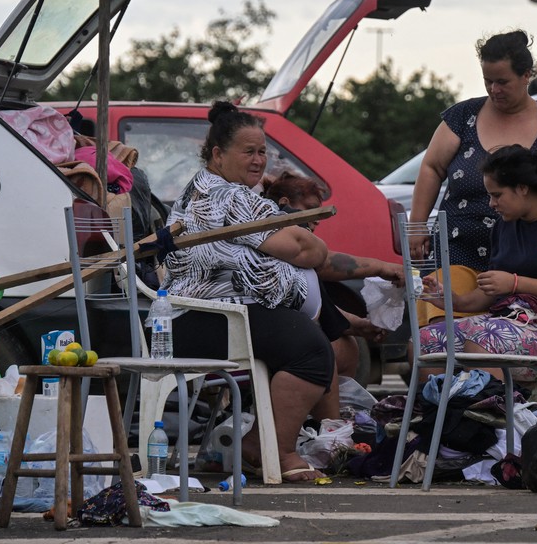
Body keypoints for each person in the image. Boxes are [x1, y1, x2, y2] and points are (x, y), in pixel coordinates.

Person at [159, 101, 334, 482]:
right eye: (248, 151)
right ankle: (274, 449)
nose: (258, 160)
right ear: (218, 154)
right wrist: (310, 247)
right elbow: (302, 249)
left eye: (262, 152)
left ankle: (283, 439)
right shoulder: (230, 196)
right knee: (311, 351)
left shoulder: (211, 188)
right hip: (206, 319)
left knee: (319, 331)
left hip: (205, 315)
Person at [409, 29, 537, 273]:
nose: (494, 89)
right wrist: (417, 227)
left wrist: (534, 212)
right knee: (447, 310)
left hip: (522, 253)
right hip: (455, 248)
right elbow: (431, 168)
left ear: (526, 76)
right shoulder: (462, 116)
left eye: (502, 82)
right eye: (487, 81)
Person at [418, 144, 537, 381]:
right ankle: (443, 414)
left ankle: (491, 413)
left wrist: (515, 283)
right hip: (512, 318)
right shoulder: (504, 224)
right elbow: (492, 290)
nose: (491, 203)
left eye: (496, 194)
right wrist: (453, 300)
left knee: (484, 343)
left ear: (522, 188)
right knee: (424, 343)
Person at [261, 171, 405, 379]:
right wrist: (380, 267)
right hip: (267, 334)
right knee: (328, 352)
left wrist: (359, 325)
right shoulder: (277, 237)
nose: (317, 221)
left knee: (342, 347)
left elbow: (318, 304)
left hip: (276, 330)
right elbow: (325, 263)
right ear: (284, 203)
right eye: (310, 210)